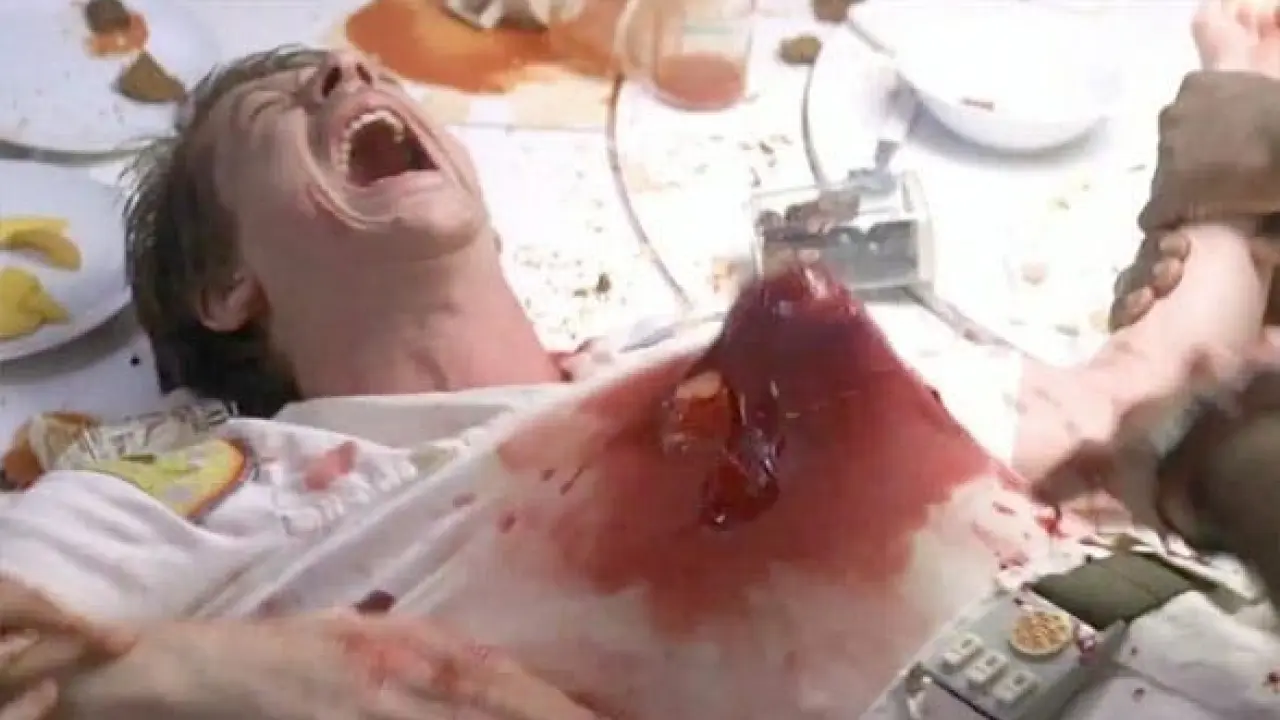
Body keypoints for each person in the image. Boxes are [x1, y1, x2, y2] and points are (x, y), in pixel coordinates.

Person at [5, 2, 1280, 717]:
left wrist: (1235, 114)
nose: (347, 64)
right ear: (227, 287)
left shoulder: (697, 350)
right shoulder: (218, 490)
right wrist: (204, 678)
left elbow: (1129, 395)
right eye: (272, 111)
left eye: (364, 70)